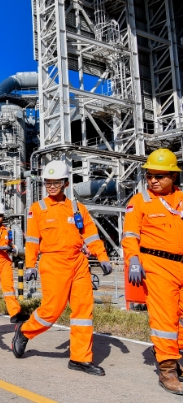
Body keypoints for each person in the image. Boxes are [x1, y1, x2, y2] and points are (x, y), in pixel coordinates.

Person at [12, 160, 112, 376]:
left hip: (78, 263)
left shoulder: (77, 208)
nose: (51, 187)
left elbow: (91, 235)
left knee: (83, 311)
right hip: (53, 263)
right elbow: (32, 240)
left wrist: (103, 257)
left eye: (56, 183)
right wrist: (30, 265)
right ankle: (25, 331)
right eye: (48, 183)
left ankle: (80, 358)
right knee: (52, 310)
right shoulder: (38, 209)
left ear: (66, 183)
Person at [122, 148, 183, 394]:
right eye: (149, 175)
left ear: (173, 176)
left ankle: (179, 358)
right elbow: (130, 235)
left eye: (159, 175)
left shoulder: (181, 200)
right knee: (165, 319)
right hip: (157, 266)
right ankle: (167, 369)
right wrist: (133, 260)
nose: (153, 180)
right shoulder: (140, 202)